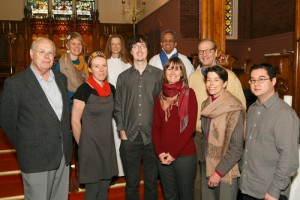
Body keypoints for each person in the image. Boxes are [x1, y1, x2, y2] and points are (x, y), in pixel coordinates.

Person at [0, 37, 73, 200]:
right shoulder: (16, 84)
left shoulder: (61, 80)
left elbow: (62, 117)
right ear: (32, 54)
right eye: (42, 52)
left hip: (62, 155)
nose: (47, 56)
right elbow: (7, 121)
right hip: (36, 158)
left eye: (50, 53)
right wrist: (26, 146)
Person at [188, 38, 246, 200]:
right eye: (201, 51)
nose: (204, 54)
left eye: (208, 50)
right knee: (200, 179)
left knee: (222, 181)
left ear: (215, 52)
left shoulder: (230, 77)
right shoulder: (193, 77)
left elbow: (239, 106)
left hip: (225, 138)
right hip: (200, 136)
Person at [240, 63, 299, 200]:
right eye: (253, 80)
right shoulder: (252, 109)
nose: (256, 83)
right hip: (248, 187)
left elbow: (289, 158)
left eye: (262, 79)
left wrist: (274, 190)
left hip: (269, 192)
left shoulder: (284, 114)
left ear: (273, 81)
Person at [114, 35, 162, 200]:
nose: (139, 50)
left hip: (153, 137)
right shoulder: (123, 77)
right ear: (131, 51)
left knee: (151, 183)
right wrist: (121, 129)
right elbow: (118, 105)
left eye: (143, 46)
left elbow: (164, 105)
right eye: (135, 46)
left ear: (148, 50)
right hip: (130, 136)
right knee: (131, 183)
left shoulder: (159, 76)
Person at [71, 51, 118, 200]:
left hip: (107, 146)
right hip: (90, 147)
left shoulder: (111, 88)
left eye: (104, 65)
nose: (101, 69)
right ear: (89, 69)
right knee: (92, 191)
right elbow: (75, 121)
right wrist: (83, 146)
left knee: (104, 188)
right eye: (97, 66)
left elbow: (117, 114)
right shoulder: (83, 90)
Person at [152, 57, 198, 200]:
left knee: (186, 196)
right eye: (169, 68)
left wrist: (173, 154)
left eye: (177, 68)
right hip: (163, 157)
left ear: (182, 73)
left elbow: (189, 128)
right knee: (170, 196)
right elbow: (155, 127)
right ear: (164, 72)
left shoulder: (189, 94)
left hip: (184, 156)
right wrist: (159, 152)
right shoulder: (159, 96)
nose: (173, 71)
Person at [200, 65, 245, 200]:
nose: (211, 84)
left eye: (216, 80)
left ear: (224, 83)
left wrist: (218, 173)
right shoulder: (206, 104)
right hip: (207, 163)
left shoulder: (234, 107)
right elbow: (205, 136)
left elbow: (236, 148)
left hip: (226, 168)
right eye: (208, 80)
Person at [54, 32, 89, 191]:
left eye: (79, 44)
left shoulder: (86, 63)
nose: (76, 47)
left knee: (81, 142)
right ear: (67, 46)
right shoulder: (59, 64)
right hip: (67, 107)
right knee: (68, 143)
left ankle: (82, 176)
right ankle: (68, 178)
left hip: (84, 106)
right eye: (73, 44)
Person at [105, 34, 131, 177]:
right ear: (109, 46)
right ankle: (114, 169)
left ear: (122, 46)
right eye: (112, 44)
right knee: (112, 137)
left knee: (123, 136)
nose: (115, 47)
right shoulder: (105, 62)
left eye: (118, 44)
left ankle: (124, 170)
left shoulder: (127, 64)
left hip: (125, 106)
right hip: (109, 104)